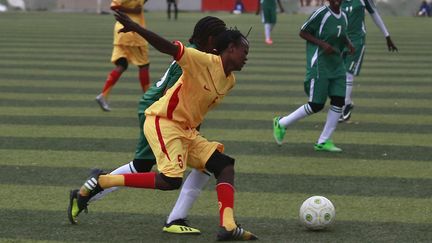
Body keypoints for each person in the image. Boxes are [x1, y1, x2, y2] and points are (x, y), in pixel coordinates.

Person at [71, 10, 256, 241]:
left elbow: (196, 103)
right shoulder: (198, 58)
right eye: (244, 51)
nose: (247, 56)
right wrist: (136, 28)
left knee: (223, 165)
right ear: (226, 47)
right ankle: (101, 182)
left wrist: (194, 136)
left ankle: (226, 225)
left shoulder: (229, 80)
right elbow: (169, 52)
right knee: (164, 177)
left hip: (184, 128)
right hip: (163, 119)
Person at [273, 0, 354, 152]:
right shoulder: (321, 13)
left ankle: (324, 141)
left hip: (337, 65)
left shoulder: (344, 15)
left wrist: (348, 43)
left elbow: (341, 34)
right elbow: (303, 32)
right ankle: (282, 123)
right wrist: (322, 44)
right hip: (320, 64)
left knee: (338, 101)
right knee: (316, 105)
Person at [339, 0, 398, 122]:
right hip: (340, 40)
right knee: (337, 75)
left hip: (357, 40)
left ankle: (342, 109)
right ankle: (348, 103)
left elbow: (374, 13)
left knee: (348, 74)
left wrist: (387, 36)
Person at [95, 0, 151, 112]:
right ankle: (149, 101)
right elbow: (115, 6)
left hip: (120, 30)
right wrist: (134, 10)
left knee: (122, 64)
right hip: (133, 30)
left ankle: (103, 95)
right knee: (143, 65)